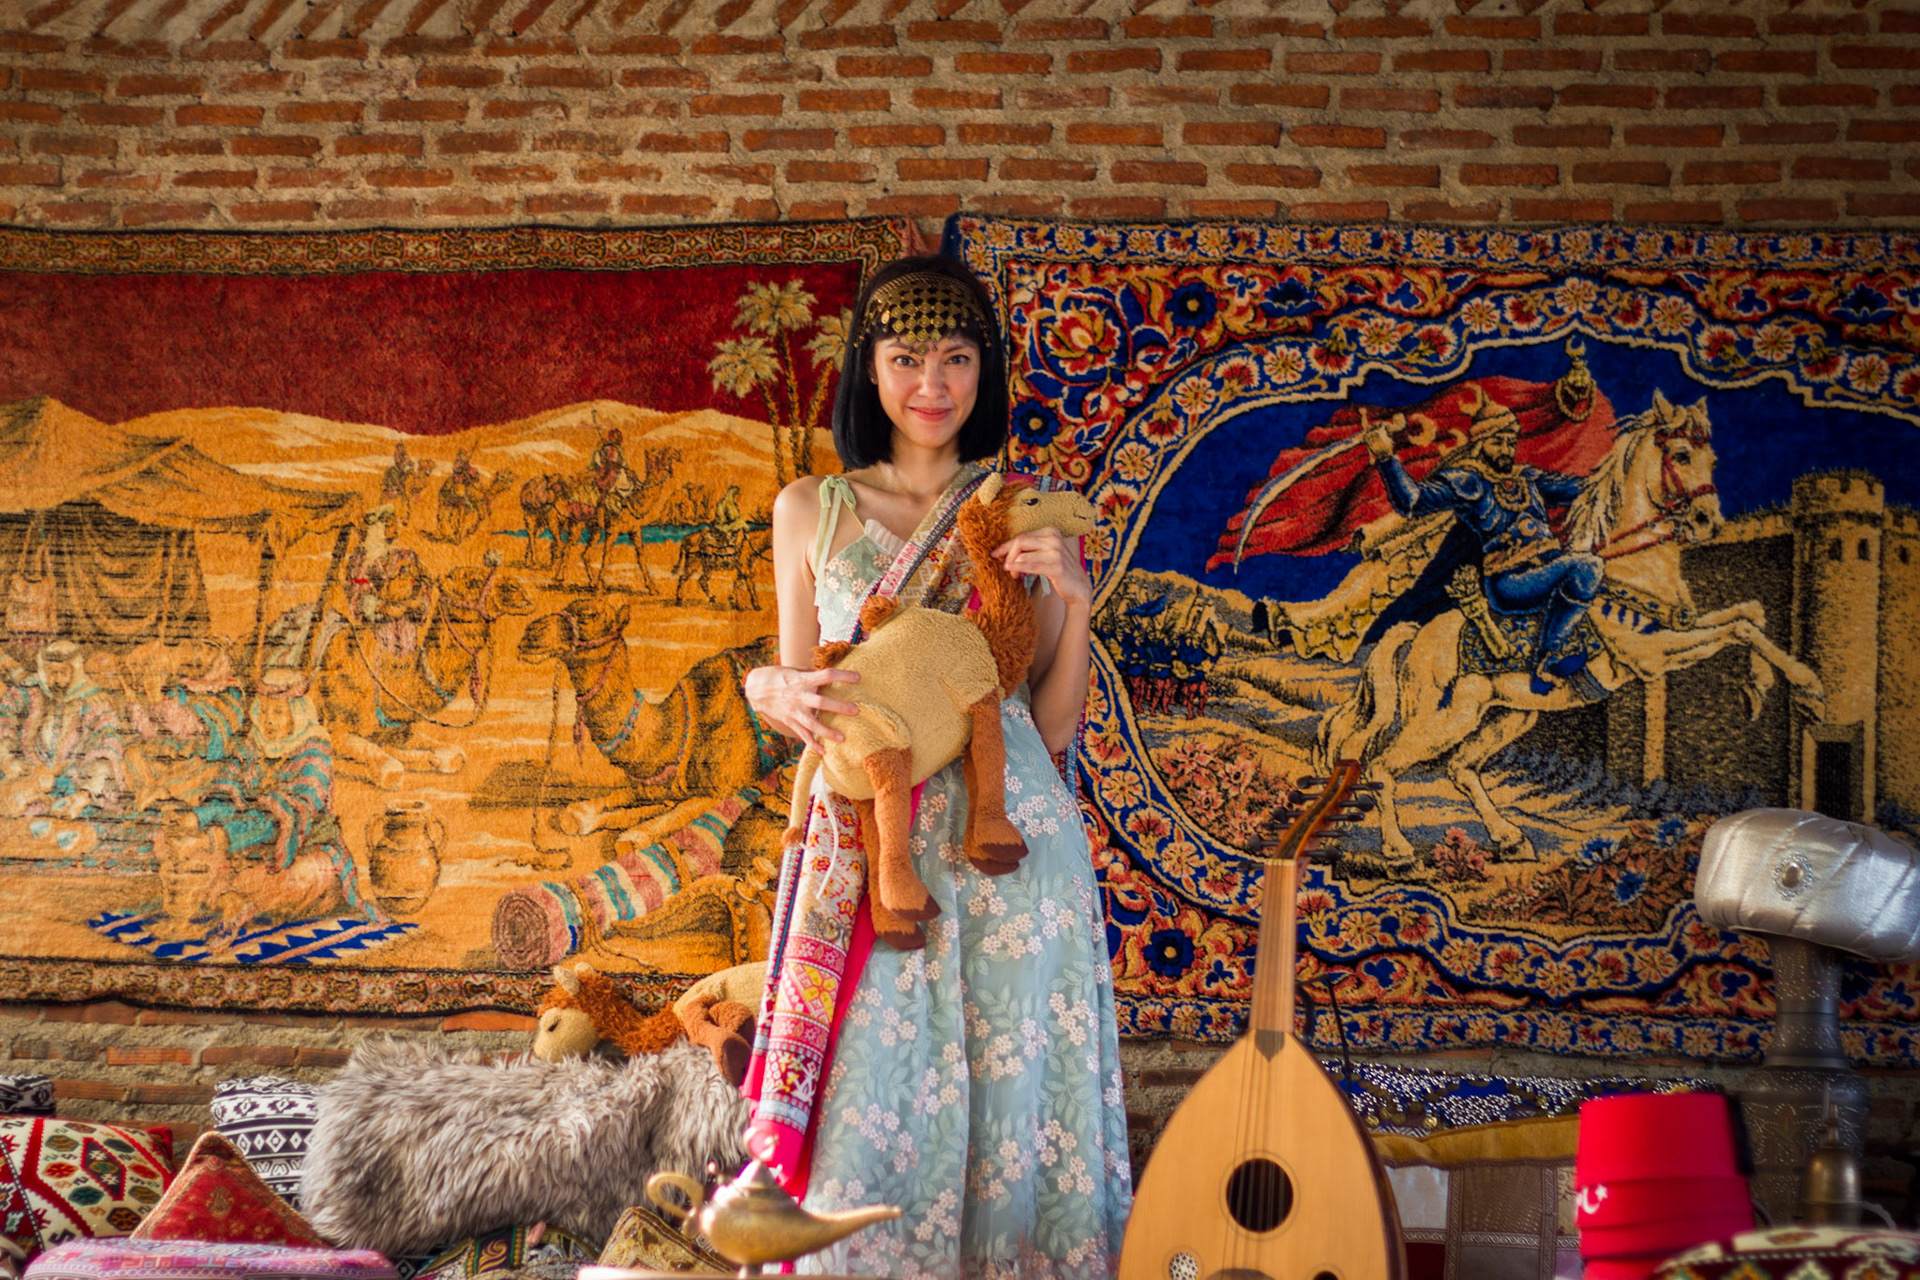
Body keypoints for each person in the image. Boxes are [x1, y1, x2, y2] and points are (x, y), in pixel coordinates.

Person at [741, 256, 1131, 1279]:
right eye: (907, 358)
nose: (932, 383)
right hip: (876, 845)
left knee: (1015, 1103)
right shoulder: (809, 508)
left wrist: (1078, 600)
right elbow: (802, 687)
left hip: (1011, 847)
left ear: (983, 373)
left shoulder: (1017, 507)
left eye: (957, 358)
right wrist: (764, 686)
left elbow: (1049, 725)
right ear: (869, 371)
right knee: (871, 1100)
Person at [1364, 386, 1603, 692]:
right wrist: (1386, 457)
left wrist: (1618, 471)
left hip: (1548, 569)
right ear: (1479, 443)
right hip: (1511, 581)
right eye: (1497, 442)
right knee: (1588, 567)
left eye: (1510, 442)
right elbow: (1412, 502)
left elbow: (1585, 490)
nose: (1506, 449)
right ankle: (1550, 655)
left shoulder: (1529, 478)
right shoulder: (1469, 482)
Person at [0, 639, 125, 816]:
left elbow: (109, 744)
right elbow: (5, 712)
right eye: (52, 673)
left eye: (62, 673)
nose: (56, 680)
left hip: (73, 783)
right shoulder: (32, 691)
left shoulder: (94, 701)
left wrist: (85, 793)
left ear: (75, 672)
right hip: (26, 776)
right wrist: (6, 758)